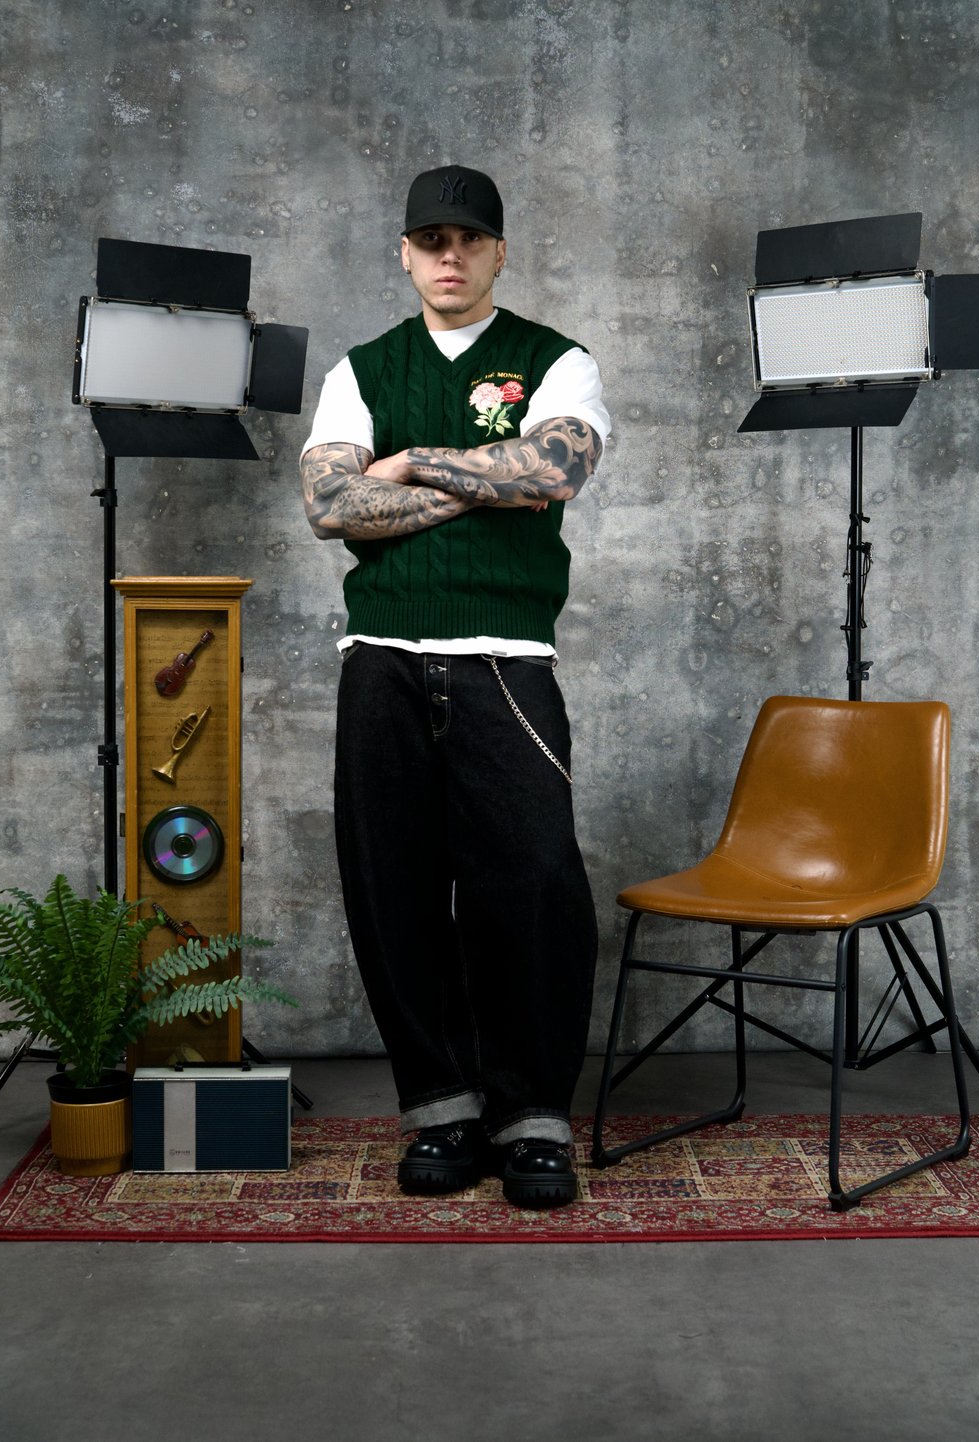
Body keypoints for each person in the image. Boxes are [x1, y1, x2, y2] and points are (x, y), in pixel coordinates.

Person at [300, 165, 610, 1207]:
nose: (448, 254)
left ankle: (532, 1116)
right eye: (429, 238)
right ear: (403, 251)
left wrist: (406, 466)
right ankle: (441, 1108)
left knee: (530, 884)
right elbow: (327, 508)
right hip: (380, 656)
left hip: (505, 660)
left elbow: (552, 474)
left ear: (497, 251)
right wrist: (482, 480)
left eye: (468, 239)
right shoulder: (360, 368)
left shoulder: (555, 360)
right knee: (393, 887)